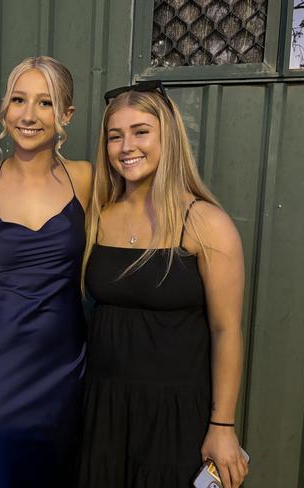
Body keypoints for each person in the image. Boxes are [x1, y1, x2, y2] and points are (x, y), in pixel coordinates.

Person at [76, 81, 249, 488]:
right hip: (104, 411)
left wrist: (222, 425)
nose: (125, 146)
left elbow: (227, 331)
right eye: (114, 136)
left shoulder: (205, 222)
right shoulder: (98, 216)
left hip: (176, 415)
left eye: (140, 131)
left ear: (166, 137)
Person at [0, 56, 92, 487]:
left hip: (63, 366)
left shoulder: (87, 180)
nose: (30, 115)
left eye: (46, 102)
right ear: (4, 110)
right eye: (19, 100)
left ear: (66, 115)